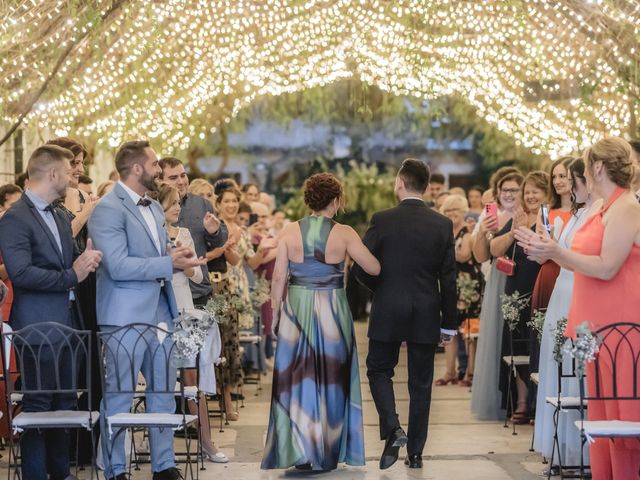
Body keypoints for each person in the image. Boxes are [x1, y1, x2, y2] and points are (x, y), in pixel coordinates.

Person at [516, 137, 640, 480]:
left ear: (598, 167)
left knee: (623, 424)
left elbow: (606, 266)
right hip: (593, 328)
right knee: (598, 423)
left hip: (622, 329)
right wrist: (544, 249)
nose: (580, 173)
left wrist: (556, 252)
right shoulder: (600, 208)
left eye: (585, 165)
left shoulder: (627, 206)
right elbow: (577, 258)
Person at [89, 140, 205, 480]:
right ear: (137, 168)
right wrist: (166, 262)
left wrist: (179, 257)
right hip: (123, 316)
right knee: (120, 393)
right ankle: (115, 469)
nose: (158, 171)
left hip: (160, 313)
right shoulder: (108, 209)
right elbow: (119, 266)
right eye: (154, 165)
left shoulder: (154, 208)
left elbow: (162, 251)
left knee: (163, 391)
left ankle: (164, 466)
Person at [261, 172, 380, 471]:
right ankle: (327, 452)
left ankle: (300, 452)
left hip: (297, 307)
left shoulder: (289, 231)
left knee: (296, 378)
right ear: (336, 200)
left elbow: (278, 277)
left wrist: (276, 314)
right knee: (332, 377)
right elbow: (374, 268)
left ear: (308, 199)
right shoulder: (345, 233)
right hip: (332, 308)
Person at [0, 144, 103, 480]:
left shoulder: (60, 215)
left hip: (69, 323)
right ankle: (34, 475)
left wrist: (86, 260)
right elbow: (21, 273)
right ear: (53, 174)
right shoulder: (14, 218)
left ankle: (63, 473)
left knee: (66, 406)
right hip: (36, 327)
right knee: (39, 407)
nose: (73, 177)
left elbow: (70, 258)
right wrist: (72, 275)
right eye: (69, 172)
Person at [355, 158, 457, 470]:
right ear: (426, 187)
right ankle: (415, 453)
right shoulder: (442, 224)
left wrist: (382, 289)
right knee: (421, 384)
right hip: (427, 309)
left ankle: (393, 427)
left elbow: (362, 265)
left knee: (378, 370)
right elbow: (449, 278)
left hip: (389, 306)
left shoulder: (382, 219)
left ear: (400, 182)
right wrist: (449, 325)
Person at [151, 183, 228, 464]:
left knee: (192, 379)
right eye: (171, 203)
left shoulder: (183, 234)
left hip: (184, 308)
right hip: (158, 312)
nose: (177, 208)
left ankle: (206, 440)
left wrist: (188, 266)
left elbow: (198, 276)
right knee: (159, 380)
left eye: (178, 204)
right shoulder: (151, 235)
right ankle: (162, 448)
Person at [533, 157, 594, 473]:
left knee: (575, 371)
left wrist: (555, 250)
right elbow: (561, 253)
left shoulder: (593, 215)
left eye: (572, 179)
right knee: (558, 369)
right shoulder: (576, 214)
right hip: (562, 291)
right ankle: (560, 448)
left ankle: (579, 451)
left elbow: (580, 257)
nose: (568, 185)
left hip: (577, 294)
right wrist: (543, 247)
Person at [213, 179, 275, 421]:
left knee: (231, 345)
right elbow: (233, 260)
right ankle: (221, 398)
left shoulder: (243, 231)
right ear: (217, 203)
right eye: (226, 201)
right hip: (218, 287)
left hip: (239, 290)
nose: (231, 205)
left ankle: (228, 399)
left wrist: (265, 249)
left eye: (234, 201)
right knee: (219, 345)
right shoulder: (213, 227)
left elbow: (252, 262)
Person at [491, 171, 549, 424]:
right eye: (527, 192)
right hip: (516, 290)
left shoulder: (550, 217)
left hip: (543, 288)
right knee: (517, 346)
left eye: (536, 191)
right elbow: (494, 250)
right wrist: (514, 229)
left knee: (540, 346)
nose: (531, 196)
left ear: (547, 194)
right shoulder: (518, 217)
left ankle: (539, 403)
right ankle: (522, 402)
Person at [470, 168, 523, 420]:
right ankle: (501, 398)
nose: (510, 194)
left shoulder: (529, 213)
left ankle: (521, 397)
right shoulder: (492, 215)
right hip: (498, 278)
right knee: (495, 336)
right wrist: (482, 231)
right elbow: (480, 255)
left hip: (523, 278)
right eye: (505, 190)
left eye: (515, 190)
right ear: (498, 193)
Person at [158, 157, 226, 308]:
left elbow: (219, 243)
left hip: (198, 290)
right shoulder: (152, 207)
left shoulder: (202, 204)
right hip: (163, 294)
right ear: (159, 180)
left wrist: (214, 232)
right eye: (173, 177)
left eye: (183, 175)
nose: (181, 181)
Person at [436, 195, 483, 388]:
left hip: (469, 287)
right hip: (450, 286)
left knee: (469, 331)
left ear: (463, 212)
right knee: (449, 329)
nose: (451, 214)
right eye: (447, 211)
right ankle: (449, 371)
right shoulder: (445, 233)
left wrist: (443, 251)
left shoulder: (467, 234)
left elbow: (463, 256)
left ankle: (470, 373)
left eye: (455, 210)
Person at [249, 202, 278, 364]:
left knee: (270, 319)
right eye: (257, 216)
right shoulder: (253, 236)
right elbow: (258, 261)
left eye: (264, 216)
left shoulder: (268, 235)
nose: (260, 219)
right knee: (264, 320)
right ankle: (260, 357)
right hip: (261, 282)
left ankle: (266, 354)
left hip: (273, 284)